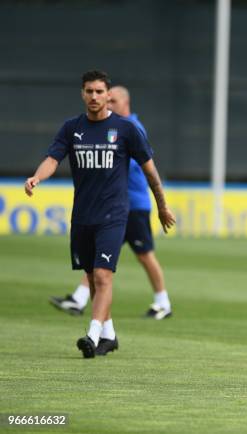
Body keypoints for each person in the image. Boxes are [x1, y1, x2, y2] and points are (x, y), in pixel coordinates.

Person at [25, 70, 175, 358]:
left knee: (104, 276)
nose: (94, 97)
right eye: (89, 91)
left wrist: (162, 205)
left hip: (115, 214)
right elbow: (53, 158)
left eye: (99, 92)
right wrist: (36, 177)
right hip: (83, 216)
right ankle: (109, 334)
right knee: (93, 277)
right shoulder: (71, 128)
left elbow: (151, 172)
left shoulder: (127, 130)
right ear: (82, 94)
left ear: (108, 96)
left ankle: (92, 334)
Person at [49, 85, 173, 321]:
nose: (107, 103)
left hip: (134, 204)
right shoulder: (109, 126)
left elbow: (142, 165)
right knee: (99, 260)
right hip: (111, 206)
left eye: (113, 100)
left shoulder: (132, 128)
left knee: (144, 254)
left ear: (125, 103)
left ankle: (163, 301)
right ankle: (80, 298)